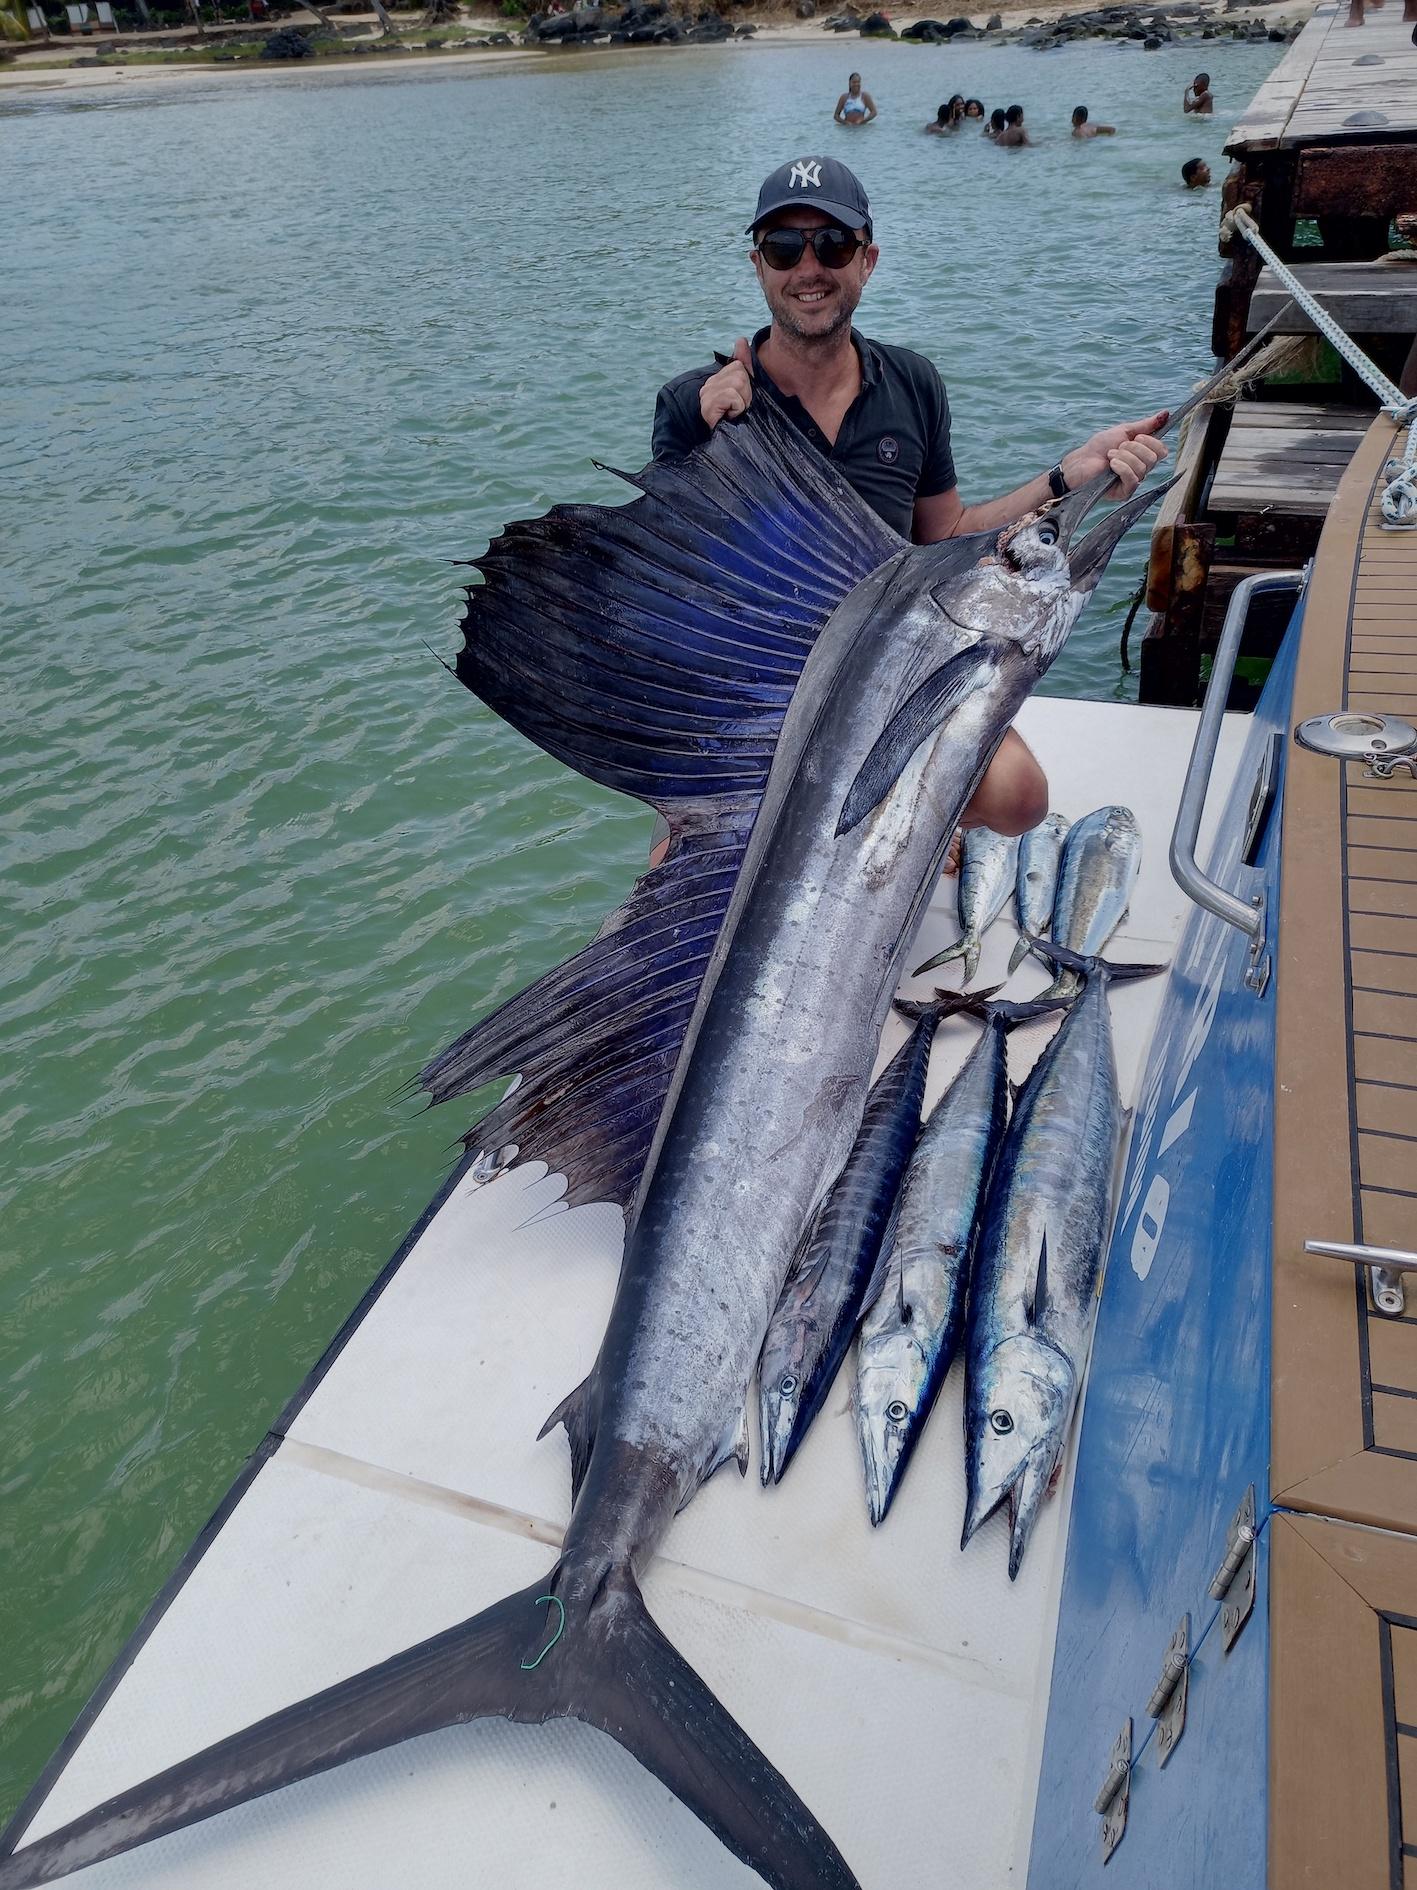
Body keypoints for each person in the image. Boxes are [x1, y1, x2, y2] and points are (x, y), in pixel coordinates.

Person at [651, 157, 1169, 851]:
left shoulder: (913, 384)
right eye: (784, 247)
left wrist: (1066, 476)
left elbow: (947, 534)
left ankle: (913, 815)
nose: (808, 267)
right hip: (757, 677)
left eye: (831, 245)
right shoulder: (694, 404)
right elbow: (674, 583)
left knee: (1018, 797)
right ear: (757, 266)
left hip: (888, 659)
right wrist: (706, 452)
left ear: (867, 260)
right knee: (677, 868)